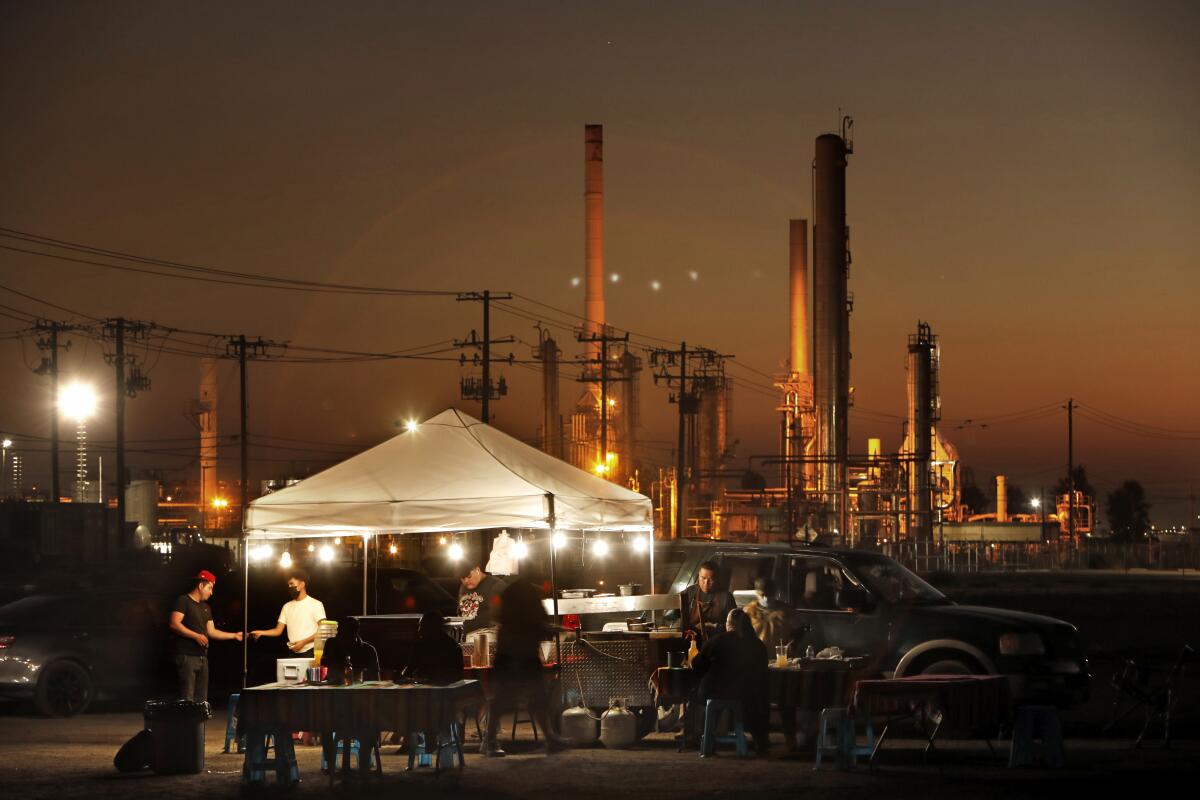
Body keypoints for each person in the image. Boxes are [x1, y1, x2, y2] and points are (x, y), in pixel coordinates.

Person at [482, 580, 567, 757]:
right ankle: (489, 742)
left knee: (535, 699)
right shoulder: (525, 603)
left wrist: (549, 629)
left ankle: (550, 739)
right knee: (506, 700)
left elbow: (533, 626)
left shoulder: (510, 607)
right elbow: (535, 626)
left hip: (517, 657)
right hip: (517, 658)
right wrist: (553, 629)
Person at [691, 608, 769, 755]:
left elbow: (697, 665)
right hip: (746, 693)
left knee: (705, 698)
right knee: (752, 699)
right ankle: (761, 741)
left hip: (715, 691)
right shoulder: (758, 644)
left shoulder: (716, 641)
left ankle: (706, 739)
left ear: (729, 624)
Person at [167, 570, 242, 702]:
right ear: (201, 585)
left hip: (202, 658)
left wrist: (234, 635)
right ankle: (185, 722)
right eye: (210, 588)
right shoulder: (183, 601)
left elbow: (212, 632)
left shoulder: (206, 607)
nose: (211, 592)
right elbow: (174, 624)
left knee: (201, 700)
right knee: (187, 699)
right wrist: (195, 636)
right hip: (187, 656)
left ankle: (199, 723)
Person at [251, 568, 327, 655]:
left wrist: (303, 642)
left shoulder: (315, 604)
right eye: (288, 585)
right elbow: (278, 630)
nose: (289, 587)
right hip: (292, 650)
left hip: (311, 650)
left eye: (292, 584)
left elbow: (323, 631)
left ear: (302, 584)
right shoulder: (286, 606)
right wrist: (261, 632)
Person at [678, 560, 736, 645]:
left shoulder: (726, 597)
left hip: (717, 643)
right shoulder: (689, 592)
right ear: (699, 575)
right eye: (703, 578)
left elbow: (734, 627)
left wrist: (713, 626)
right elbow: (676, 617)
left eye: (710, 580)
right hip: (691, 642)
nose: (706, 583)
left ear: (717, 579)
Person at [743, 577, 800, 653]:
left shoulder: (787, 611)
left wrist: (793, 642)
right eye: (763, 594)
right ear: (757, 593)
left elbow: (799, 630)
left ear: (775, 592)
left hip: (780, 657)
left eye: (770, 594)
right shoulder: (748, 611)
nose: (766, 598)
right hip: (756, 656)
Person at [406, 612, 464, 685]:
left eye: (422, 626)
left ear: (432, 627)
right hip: (449, 691)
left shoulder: (421, 645)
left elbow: (409, 670)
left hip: (429, 691)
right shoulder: (453, 646)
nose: (419, 630)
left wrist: (403, 677)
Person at [319, 616, 381, 683]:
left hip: (357, 689)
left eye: (342, 632)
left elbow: (375, 679)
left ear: (354, 632)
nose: (337, 634)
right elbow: (323, 664)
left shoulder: (368, 650)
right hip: (333, 686)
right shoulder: (331, 644)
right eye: (338, 630)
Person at [457, 561, 506, 634]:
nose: (466, 581)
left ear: (477, 570)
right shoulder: (463, 588)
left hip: (489, 638)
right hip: (467, 638)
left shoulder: (496, 585)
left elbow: (503, 614)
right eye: (463, 579)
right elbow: (461, 612)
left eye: (469, 576)